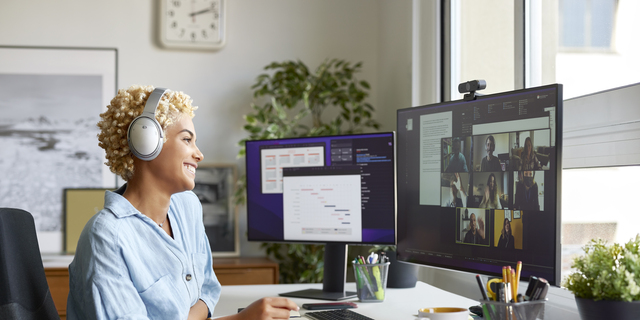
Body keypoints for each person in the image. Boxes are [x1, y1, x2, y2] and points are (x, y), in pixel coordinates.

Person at [67, 85, 298, 320]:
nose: (199, 154)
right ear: (146, 142)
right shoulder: (107, 236)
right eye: (187, 139)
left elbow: (207, 291)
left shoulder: (187, 205)